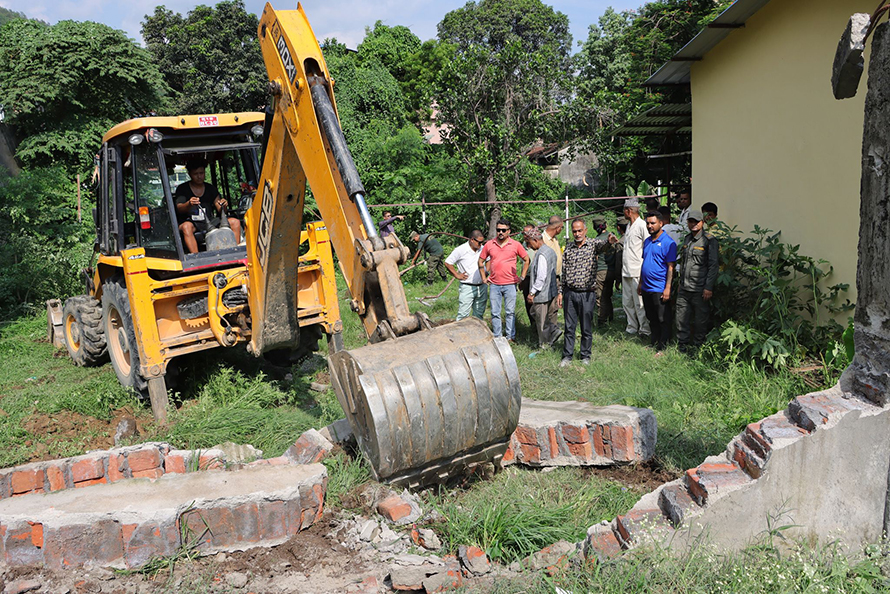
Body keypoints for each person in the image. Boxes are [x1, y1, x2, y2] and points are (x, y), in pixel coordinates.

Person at [558, 219, 618, 366]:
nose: (577, 234)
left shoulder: (592, 244)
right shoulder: (569, 248)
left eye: (579, 231)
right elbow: (563, 272)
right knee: (569, 327)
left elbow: (604, 247)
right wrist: (561, 292)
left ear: (585, 230)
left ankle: (585, 356)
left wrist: (610, 242)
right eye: (574, 231)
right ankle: (567, 356)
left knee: (586, 326)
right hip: (570, 293)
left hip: (587, 293)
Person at [175, 159, 241, 254]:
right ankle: (196, 257)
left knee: (235, 222)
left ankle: (235, 252)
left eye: (201, 173)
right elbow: (179, 208)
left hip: (209, 221)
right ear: (190, 174)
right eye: (195, 174)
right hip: (192, 222)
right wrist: (189, 204)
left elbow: (219, 208)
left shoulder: (211, 188)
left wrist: (223, 205)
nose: (199, 176)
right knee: (186, 227)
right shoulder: (182, 189)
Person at [478, 219, 530, 341]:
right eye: (498, 230)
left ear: (509, 231)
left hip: (510, 284)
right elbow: (480, 261)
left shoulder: (515, 245)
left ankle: (510, 337)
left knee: (510, 312)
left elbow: (526, 259)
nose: (500, 232)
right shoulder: (489, 244)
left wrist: (522, 277)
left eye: (503, 230)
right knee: (495, 313)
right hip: (494, 284)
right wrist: (483, 277)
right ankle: (497, 336)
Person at [676, 209, 720, 352]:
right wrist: (680, 282)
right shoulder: (687, 239)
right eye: (691, 221)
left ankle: (697, 347)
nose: (693, 224)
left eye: (697, 221)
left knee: (700, 321)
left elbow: (713, 265)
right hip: (684, 288)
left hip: (700, 288)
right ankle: (682, 345)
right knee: (681, 318)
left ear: (702, 222)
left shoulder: (709, 240)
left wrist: (708, 287)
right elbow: (683, 263)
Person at [639, 211, 677, 354]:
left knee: (663, 318)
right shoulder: (647, 241)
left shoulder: (669, 243)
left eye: (653, 223)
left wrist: (667, 288)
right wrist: (640, 283)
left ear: (661, 224)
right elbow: (645, 263)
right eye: (648, 223)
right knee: (651, 317)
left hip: (659, 287)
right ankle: (654, 342)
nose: (650, 226)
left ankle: (663, 346)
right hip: (647, 287)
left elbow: (671, 267)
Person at [524, 227, 562, 348]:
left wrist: (532, 293)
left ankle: (545, 344)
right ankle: (553, 332)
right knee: (540, 315)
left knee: (540, 320)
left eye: (529, 243)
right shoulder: (550, 251)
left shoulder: (541, 254)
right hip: (551, 291)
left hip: (542, 293)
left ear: (535, 240)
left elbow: (541, 277)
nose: (529, 246)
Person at [621, 198, 650, 339]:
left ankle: (644, 329)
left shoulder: (642, 225)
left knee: (640, 303)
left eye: (624, 210)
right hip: (626, 270)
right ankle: (632, 326)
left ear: (629, 211)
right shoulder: (629, 225)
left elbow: (647, 247)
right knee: (627, 301)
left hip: (637, 270)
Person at [444, 230, 488, 320]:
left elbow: (489, 259)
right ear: (472, 240)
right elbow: (448, 262)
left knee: (479, 314)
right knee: (463, 314)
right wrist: (457, 275)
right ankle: (460, 333)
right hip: (467, 286)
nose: (480, 244)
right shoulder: (461, 250)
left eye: (482, 242)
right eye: (479, 242)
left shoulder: (483, 249)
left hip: (482, 285)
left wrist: (487, 271)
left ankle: (477, 332)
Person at [594, 219, 617, 326]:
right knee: (608, 295)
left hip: (601, 271)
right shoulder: (613, 236)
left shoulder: (597, 240)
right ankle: (610, 316)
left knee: (600, 297)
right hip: (612, 271)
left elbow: (595, 257)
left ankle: (602, 320)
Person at [519, 224, 537, 322]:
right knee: (528, 303)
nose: (526, 235)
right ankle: (532, 325)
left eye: (528, 233)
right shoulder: (523, 246)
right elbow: (522, 264)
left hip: (537, 278)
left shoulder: (538, 245)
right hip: (527, 278)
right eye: (524, 233)